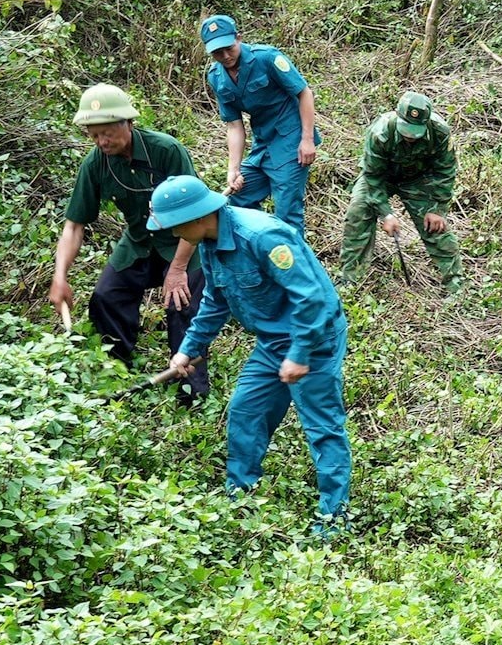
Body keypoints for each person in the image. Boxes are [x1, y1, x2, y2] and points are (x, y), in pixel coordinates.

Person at [150, 173, 353, 542]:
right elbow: (215, 299)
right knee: (245, 409)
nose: (173, 235)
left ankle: (335, 518)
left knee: (321, 426)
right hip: (273, 341)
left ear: (197, 217)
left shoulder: (261, 236)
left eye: (176, 226)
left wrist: (300, 354)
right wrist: (188, 348)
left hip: (313, 338)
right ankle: (239, 498)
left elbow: (312, 298)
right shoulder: (210, 242)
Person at [48, 82, 210, 403]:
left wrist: (177, 270)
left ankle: (192, 392)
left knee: (182, 305)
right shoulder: (96, 163)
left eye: (107, 133)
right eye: (93, 135)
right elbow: (74, 225)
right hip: (138, 241)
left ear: (128, 123)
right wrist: (60, 276)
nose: (101, 141)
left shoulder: (166, 150)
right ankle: (117, 374)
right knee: (107, 297)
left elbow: (197, 217)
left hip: (183, 243)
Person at [199, 13, 320, 233]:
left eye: (229, 48)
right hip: (262, 144)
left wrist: (307, 139)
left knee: (287, 214)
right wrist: (233, 169)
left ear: (238, 38)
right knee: (239, 197)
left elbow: (304, 93)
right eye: (217, 52)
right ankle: (256, 253)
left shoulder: (267, 58)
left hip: (291, 140)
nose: (225, 56)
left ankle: (294, 264)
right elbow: (234, 125)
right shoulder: (216, 76)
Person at [339, 90, 462, 294]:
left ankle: (456, 286)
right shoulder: (380, 132)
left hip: (419, 179)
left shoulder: (439, 132)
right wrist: (386, 213)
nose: (411, 137)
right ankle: (349, 280)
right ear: (398, 116)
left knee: (436, 226)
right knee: (358, 212)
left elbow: (445, 171)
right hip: (382, 178)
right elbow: (372, 176)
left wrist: (438, 208)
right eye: (406, 130)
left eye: (416, 132)